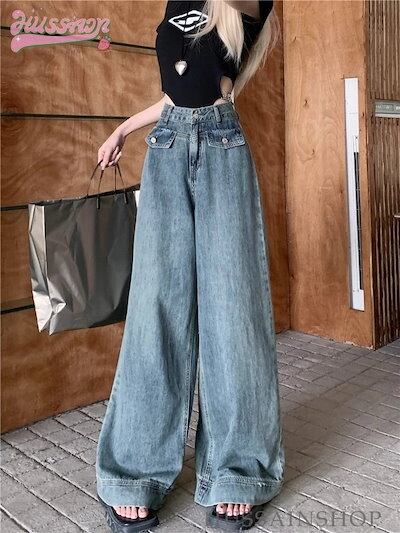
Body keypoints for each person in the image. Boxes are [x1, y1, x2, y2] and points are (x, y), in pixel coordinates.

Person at [95, 1, 284, 531]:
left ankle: (236, 470)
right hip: (167, 143)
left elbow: (209, 83)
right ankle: (134, 472)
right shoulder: (175, 3)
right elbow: (175, 92)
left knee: (231, 310)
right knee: (155, 306)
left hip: (222, 144)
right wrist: (122, 129)